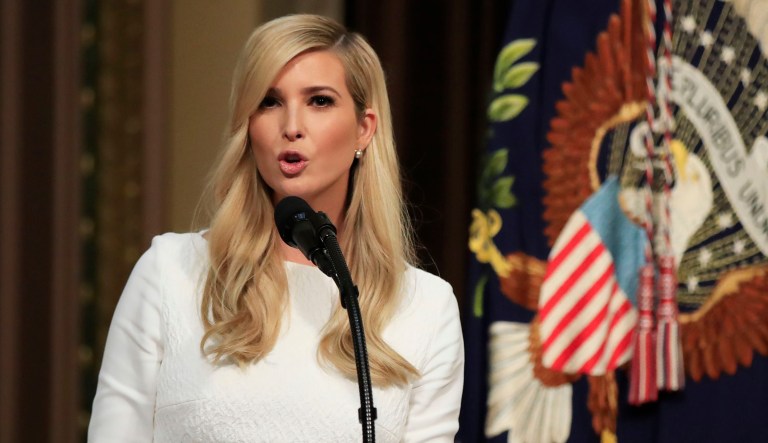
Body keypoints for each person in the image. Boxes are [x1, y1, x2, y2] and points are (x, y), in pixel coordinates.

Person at [88, 13, 464, 442]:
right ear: (249, 124)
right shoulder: (169, 273)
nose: (291, 127)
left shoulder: (426, 308)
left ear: (364, 128)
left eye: (319, 101)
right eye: (269, 101)